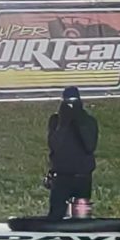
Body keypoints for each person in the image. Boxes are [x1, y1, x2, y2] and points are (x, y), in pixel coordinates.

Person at [45, 86, 99, 221]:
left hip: (82, 177)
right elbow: (55, 145)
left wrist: (79, 121)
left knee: (81, 218)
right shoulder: (56, 121)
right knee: (55, 217)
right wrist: (63, 123)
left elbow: (90, 145)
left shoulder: (89, 121)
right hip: (61, 177)